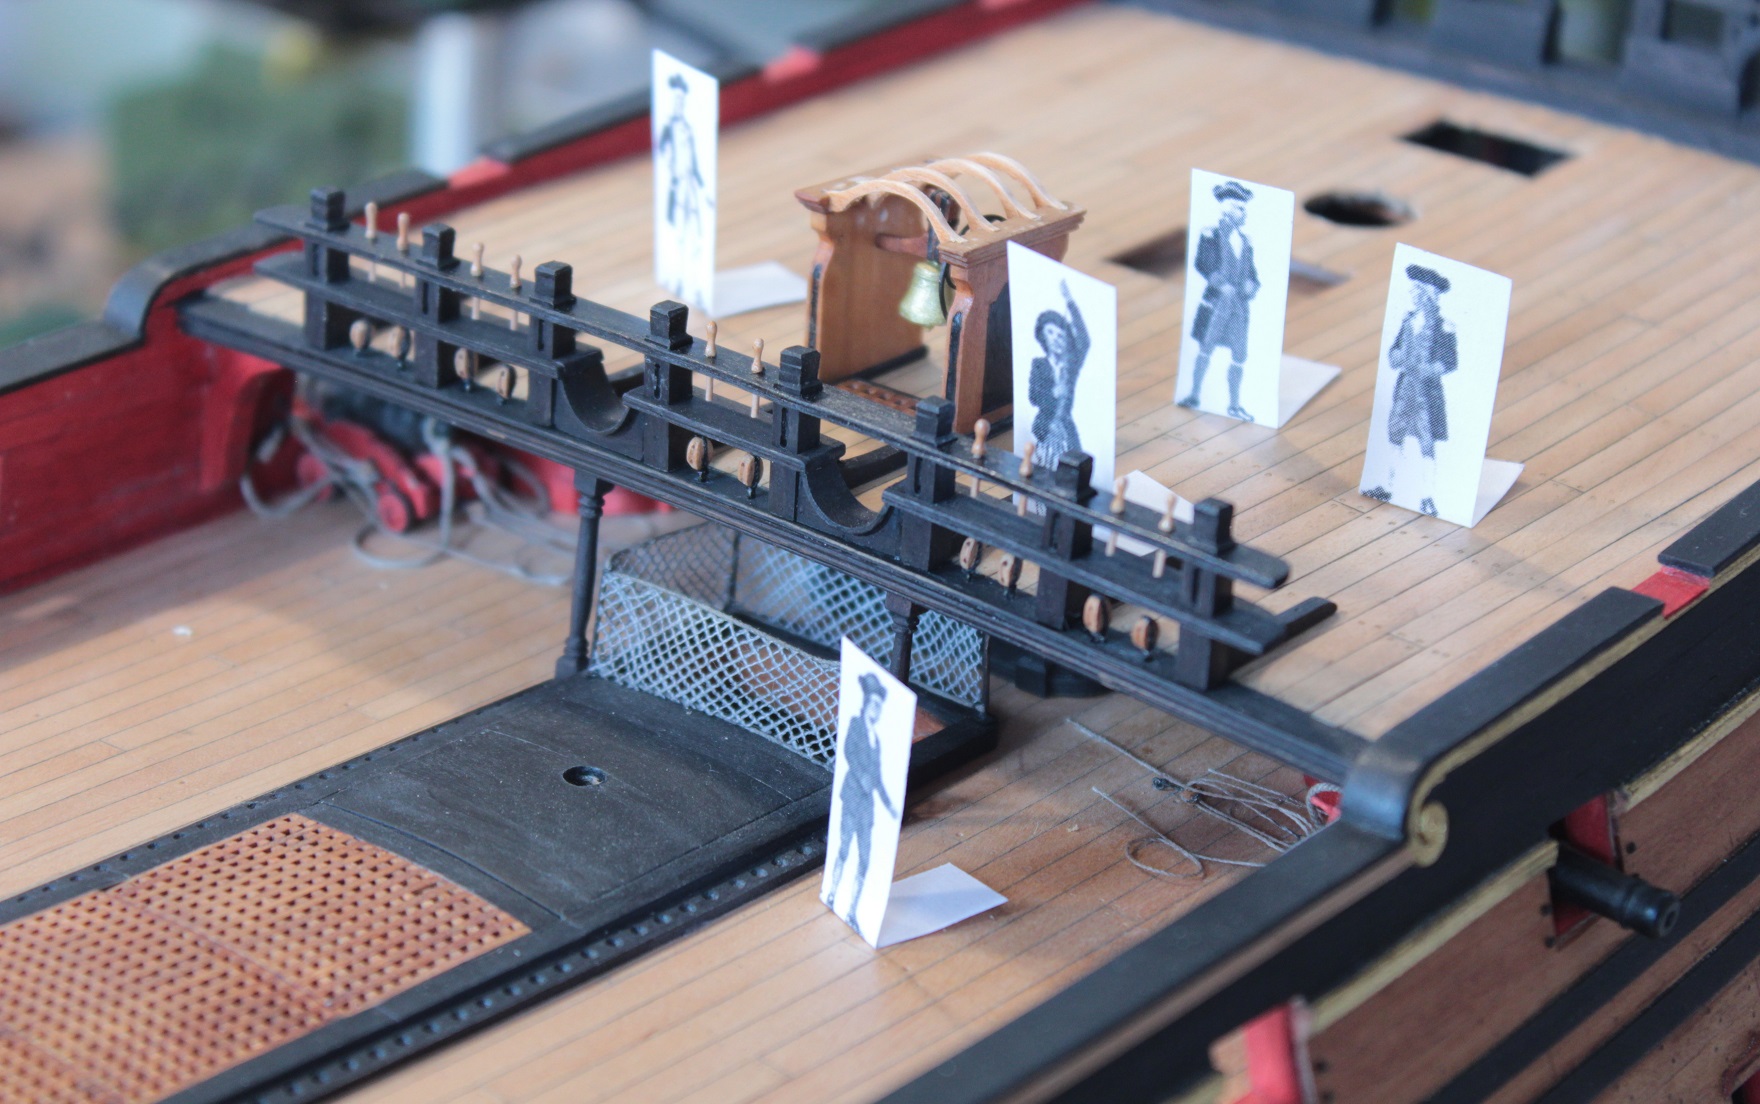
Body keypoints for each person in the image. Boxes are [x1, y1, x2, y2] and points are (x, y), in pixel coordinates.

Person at [1364, 264, 1457, 517]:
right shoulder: (1408, 321)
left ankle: (1428, 497)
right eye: (1413, 290)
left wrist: (1426, 369)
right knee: (1395, 434)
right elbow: (1394, 351)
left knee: (1427, 443)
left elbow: (1449, 362)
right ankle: (1387, 487)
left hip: (1426, 392)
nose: (1412, 295)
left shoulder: (1444, 326)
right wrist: (1399, 357)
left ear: (1429, 294)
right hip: (1405, 388)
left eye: (1417, 290)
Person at [1179, 180, 1259, 421]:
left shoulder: (1246, 241)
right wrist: (1220, 284)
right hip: (1216, 303)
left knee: (1239, 354)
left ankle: (1234, 405)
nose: (1243, 213)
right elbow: (1202, 262)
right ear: (1228, 209)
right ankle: (1194, 395)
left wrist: (1252, 284)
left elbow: (1252, 273)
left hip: (1239, 306)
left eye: (1244, 209)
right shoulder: (1210, 234)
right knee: (1206, 346)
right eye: (1239, 208)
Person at [826, 671, 899, 928]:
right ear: (867, 703)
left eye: (880, 705)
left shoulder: (877, 740)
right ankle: (832, 893)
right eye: (874, 703)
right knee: (844, 847)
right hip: (852, 796)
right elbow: (848, 751)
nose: (876, 709)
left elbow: (878, 777)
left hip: (867, 806)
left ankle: (853, 911)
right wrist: (861, 776)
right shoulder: (856, 725)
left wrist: (890, 805)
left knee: (865, 858)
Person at [654, 72, 709, 303]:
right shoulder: (668, 129)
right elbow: (663, 154)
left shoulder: (687, 128)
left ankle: (695, 283)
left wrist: (702, 188)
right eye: (676, 100)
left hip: (690, 188)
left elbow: (694, 160)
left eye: (682, 100)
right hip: (677, 188)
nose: (679, 104)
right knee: (677, 235)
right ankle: (678, 279)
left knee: (695, 234)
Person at [1027, 279, 1091, 466]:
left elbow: (1084, 339)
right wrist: (1053, 392)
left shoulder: (1071, 365)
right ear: (1043, 337)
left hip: (1066, 429)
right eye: (1051, 333)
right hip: (1044, 427)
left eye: (1060, 334)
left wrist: (1070, 301)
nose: (1056, 338)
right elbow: (1033, 397)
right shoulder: (1038, 364)